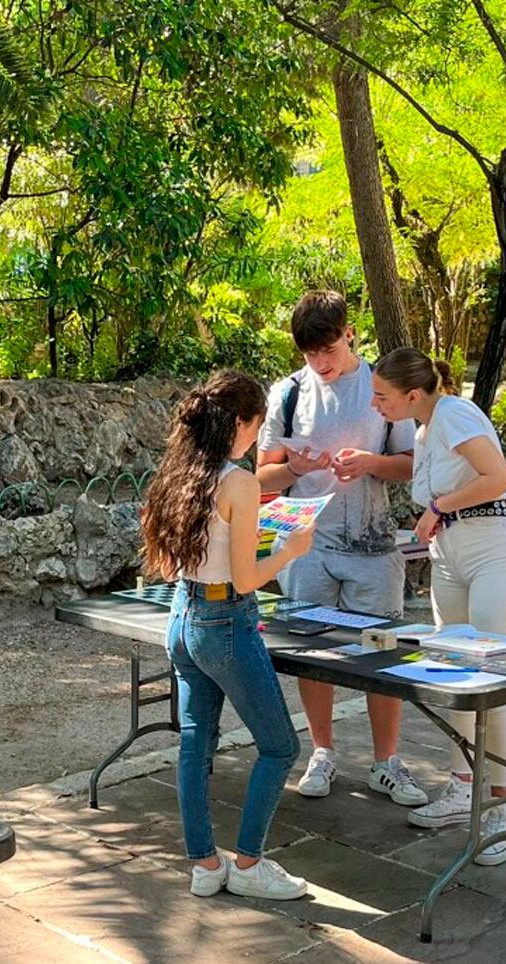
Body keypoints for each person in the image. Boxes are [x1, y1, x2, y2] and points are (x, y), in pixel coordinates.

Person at [142, 371, 314, 900]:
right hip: (225, 620)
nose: (258, 439)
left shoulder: (177, 474)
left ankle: (204, 864)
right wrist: (289, 550)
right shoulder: (238, 481)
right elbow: (245, 579)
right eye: (258, 427)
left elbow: (170, 567)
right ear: (240, 423)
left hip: (183, 615)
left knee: (196, 744)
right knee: (280, 747)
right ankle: (247, 863)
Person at [255, 290, 427, 811]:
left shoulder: (382, 388)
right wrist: (296, 469)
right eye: (311, 355)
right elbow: (262, 475)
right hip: (306, 543)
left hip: (373, 545)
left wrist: (371, 464)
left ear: (349, 333)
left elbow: (412, 464)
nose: (321, 363)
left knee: (383, 655)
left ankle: (386, 762)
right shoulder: (287, 393)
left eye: (328, 350)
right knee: (311, 655)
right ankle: (322, 751)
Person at [372, 347, 506, 861]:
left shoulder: (455, 413)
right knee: (455, 669)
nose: (376, 404)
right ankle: (464, 783)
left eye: (382, 396)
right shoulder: (422, 428)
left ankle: (501, 806)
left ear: (412, 394)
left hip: (491, 547)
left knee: (493, 674)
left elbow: (498, 478)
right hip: (450, 552)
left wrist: (439, 506)